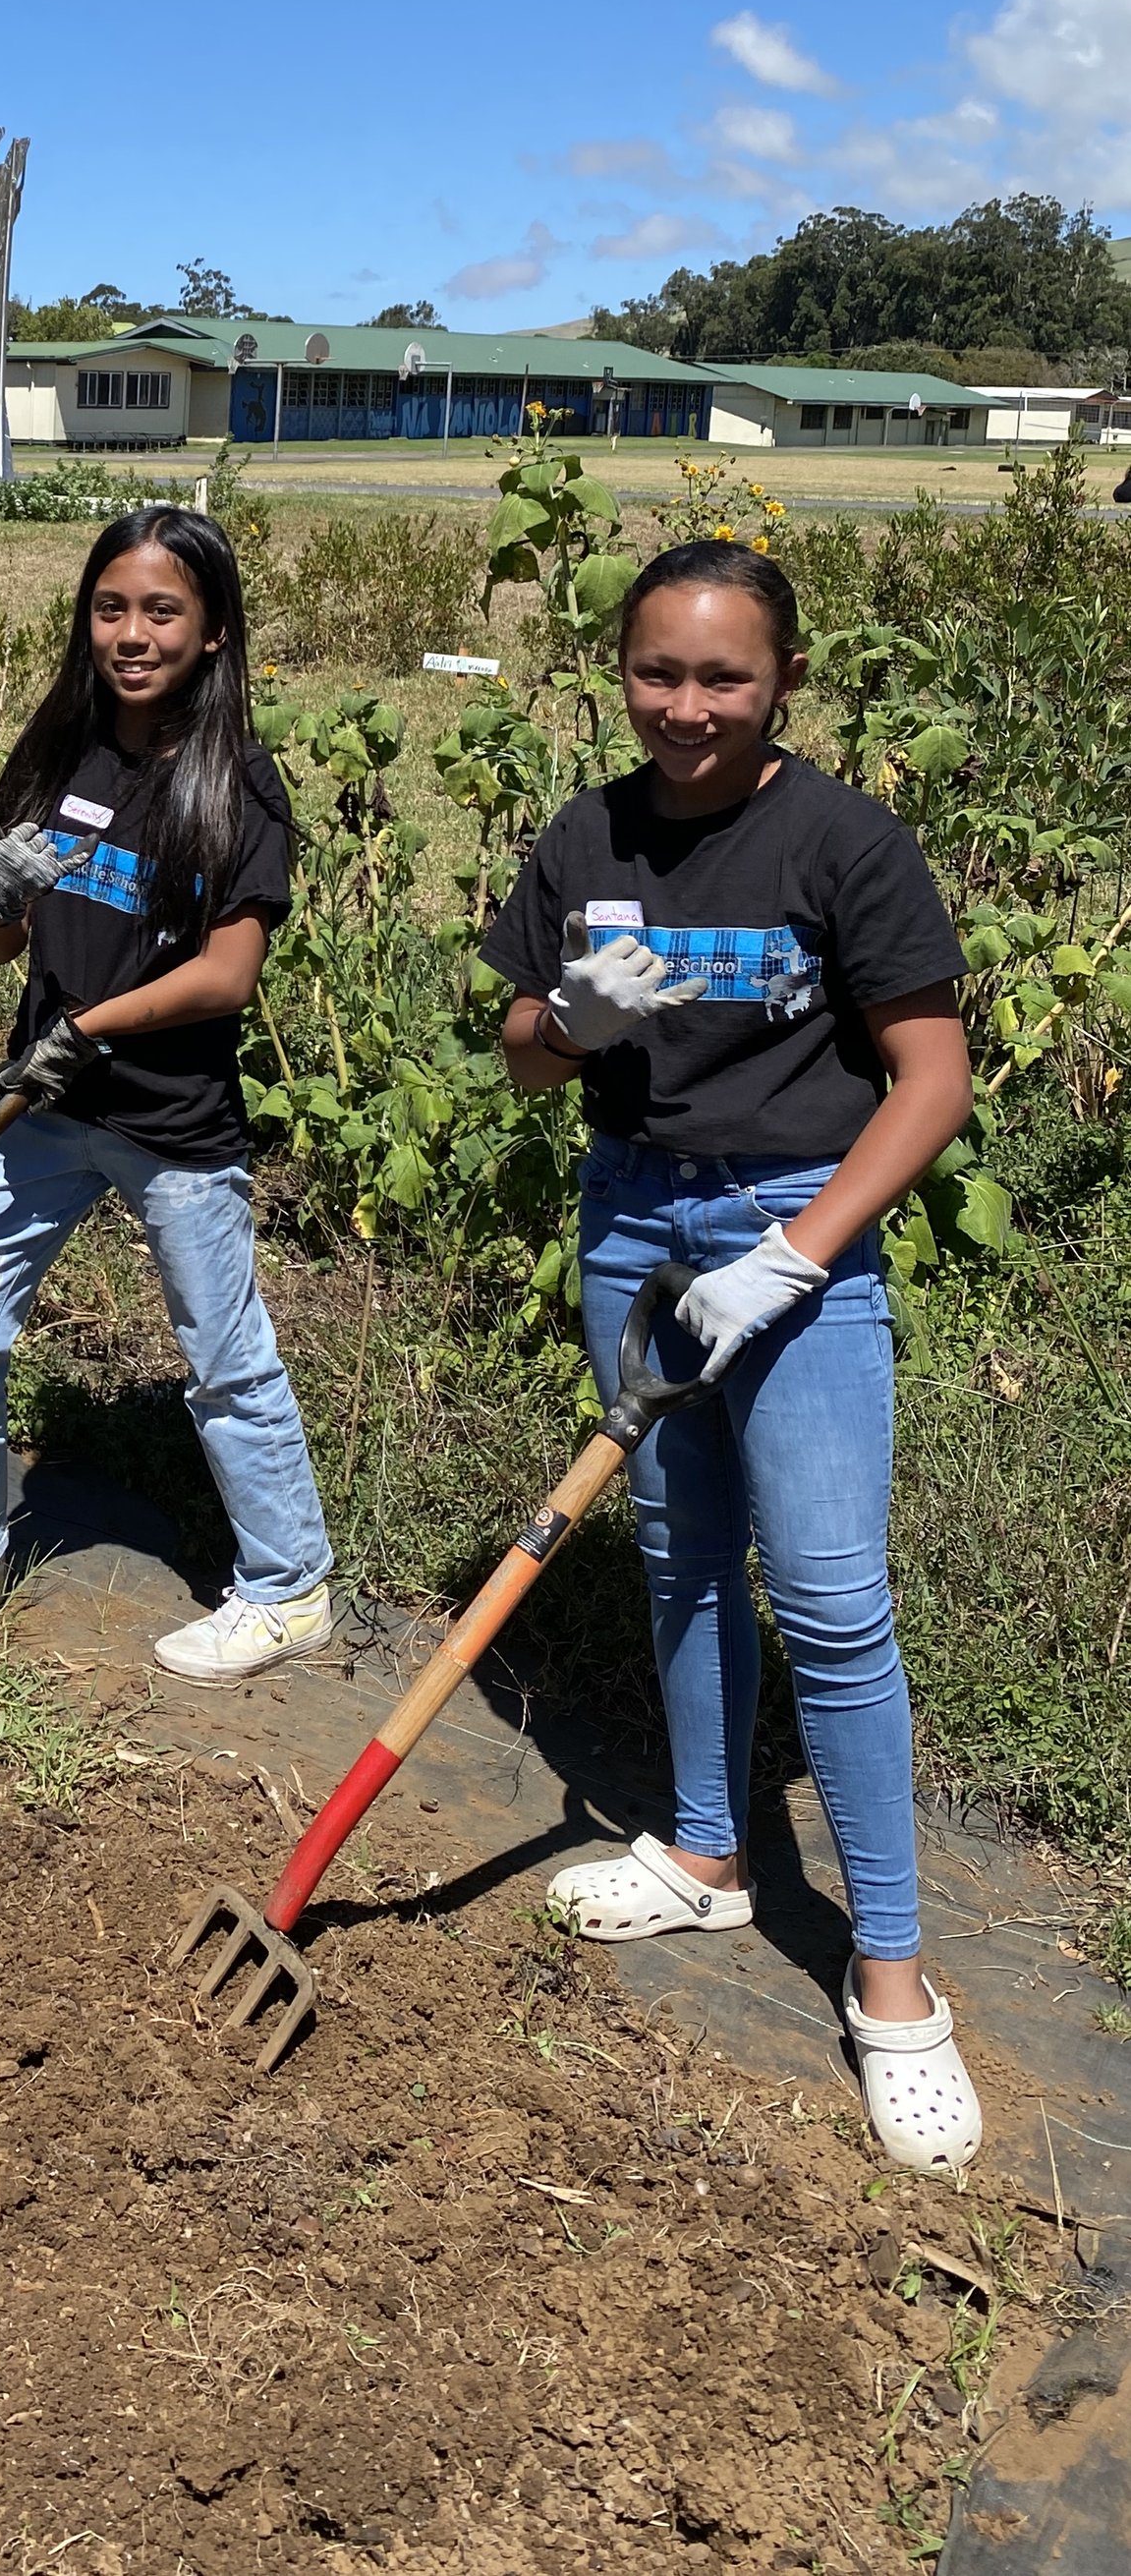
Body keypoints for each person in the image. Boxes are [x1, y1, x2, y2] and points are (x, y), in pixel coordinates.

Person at [481, 538, 982, 2173]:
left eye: (723, 676)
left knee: (832, 1599)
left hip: (795, 1229)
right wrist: (574, 1016)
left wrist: (793, 1254)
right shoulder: (591, 832)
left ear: (782, 683)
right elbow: (521, 1058)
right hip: (631, 1217)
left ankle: (894, 1981)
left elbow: (929, 1078)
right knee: (686, 1555)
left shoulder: (841, 840)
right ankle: (707, 1853)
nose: (685, 706)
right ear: (617, 670)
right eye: (657, 671)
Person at [0, 506, 336, 1682]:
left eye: (161, 611)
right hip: (44, 1107)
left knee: (225, 1360)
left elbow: (226, 975)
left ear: (215, 633)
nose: (131, 634)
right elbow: (2, 946)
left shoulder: (236, 784)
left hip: (170, 1124)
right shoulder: (60, 754)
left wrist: (84, 1029)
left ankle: (287, 1587)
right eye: (110, 608)